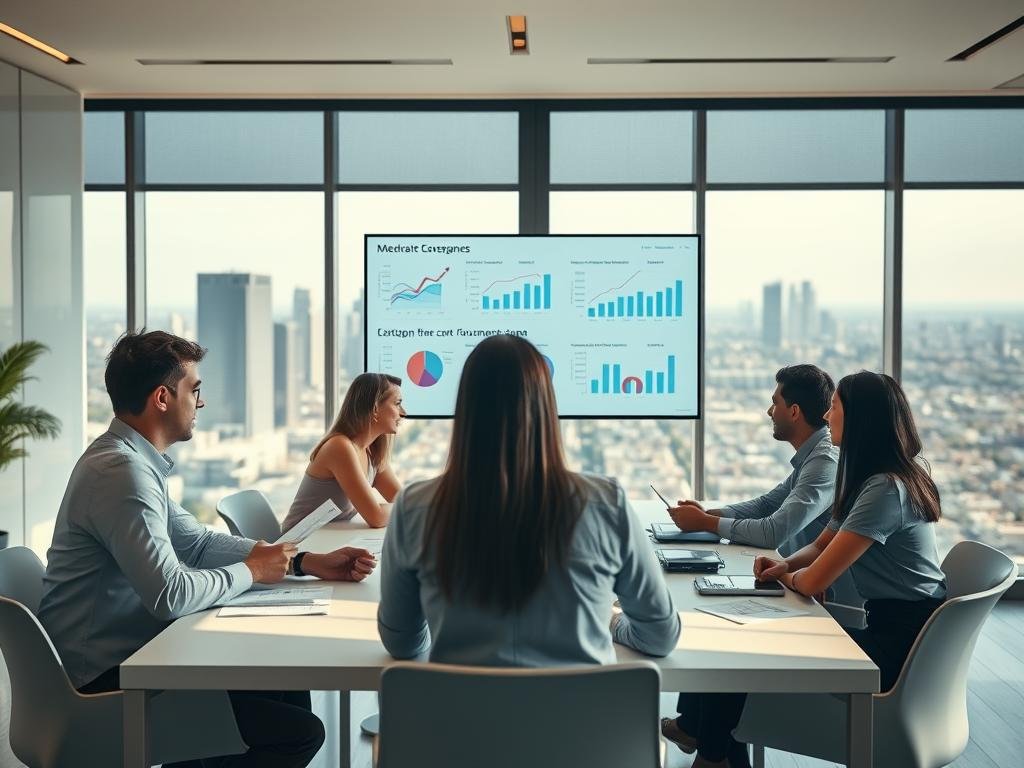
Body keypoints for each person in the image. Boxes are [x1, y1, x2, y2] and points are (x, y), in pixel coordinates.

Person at [38, 330, 378, 768]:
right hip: (103, 681)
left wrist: (301, 561)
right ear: (163, 398)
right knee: (298, 734)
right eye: (193, 390)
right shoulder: (121, 471)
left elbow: (195, 542)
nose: (200, 403)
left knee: (288, 694)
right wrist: (254, 571)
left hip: (138, 652)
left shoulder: (130, 460)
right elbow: (170, 595)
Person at [663, 371, 947, 768]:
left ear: (859, 418)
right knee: (739, 634)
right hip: (890, 627)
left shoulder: (885, 489)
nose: (828, 417)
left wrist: (787, 575)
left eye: (835, 408)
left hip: (895, 648)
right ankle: (712, 747)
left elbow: (815, 580)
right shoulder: (870, 477)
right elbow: (819, 545)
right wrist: (783, 565)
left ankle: (713, 754)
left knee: (743, 641)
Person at [377, 334, 680, 665]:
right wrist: (609, 621)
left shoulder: (415, 507)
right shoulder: (607, 504)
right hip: (579, 717)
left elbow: (402, 643)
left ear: (466, 408)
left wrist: (445, 621)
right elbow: (659, 637)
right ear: (547, 406)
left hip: (458, 716)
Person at [666, 364, 858, 606]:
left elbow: (773, 533)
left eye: (775, 403)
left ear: (794, 411)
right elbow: (768, 504)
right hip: (805, 586)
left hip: (832, 604)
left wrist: (708, 523)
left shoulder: (825, 461)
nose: (770, 412)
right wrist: (708, 514)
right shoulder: (814, 455)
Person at [282, 373, 405, 532]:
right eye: (397, 403)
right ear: (375, 408)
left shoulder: (372, 451)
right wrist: (401, 508)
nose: (403, 412)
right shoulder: (340, 447)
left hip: (327, 540)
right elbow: (377, 517)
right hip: (297, 545)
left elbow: (400, 500)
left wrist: (401, 507)